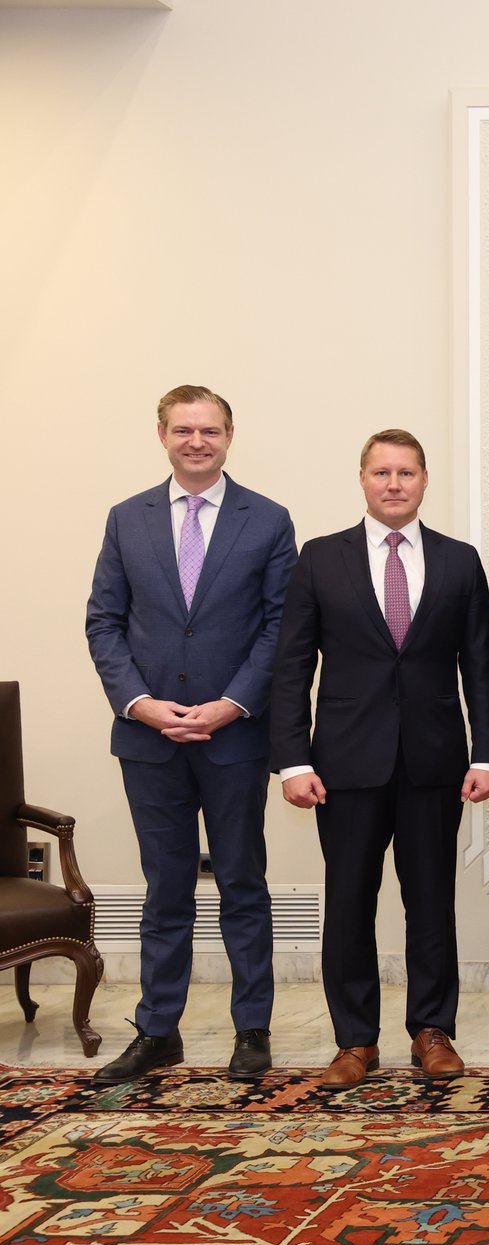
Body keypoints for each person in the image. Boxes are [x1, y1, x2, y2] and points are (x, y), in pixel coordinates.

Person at [270, 429, 489, 1091]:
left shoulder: (460, 561)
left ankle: (432, 1030)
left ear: (425, 480)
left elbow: (480, 669)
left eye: (406, 472)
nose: (394, 483)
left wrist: (488, 755)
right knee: (348, 902)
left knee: (431, 902)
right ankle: (355, 1039)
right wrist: (292, 761)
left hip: (434, 762)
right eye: (382, 472)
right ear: (363, 479)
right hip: (343, 765)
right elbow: (292, 667)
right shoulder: (321, 558)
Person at [84, 385, 297, 1084]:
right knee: (165, 888)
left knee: (243, 884)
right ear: (163, 435)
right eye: (184, 430)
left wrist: (231, 704)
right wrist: (139, 703)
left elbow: (281, 627)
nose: (197, 441)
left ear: (229, 436)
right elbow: (104, 622)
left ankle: (252, 1029)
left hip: (234, 739)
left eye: (209, 430)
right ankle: (157, 1030)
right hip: (148, 739)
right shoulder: (127, 519)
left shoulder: (269, 520)